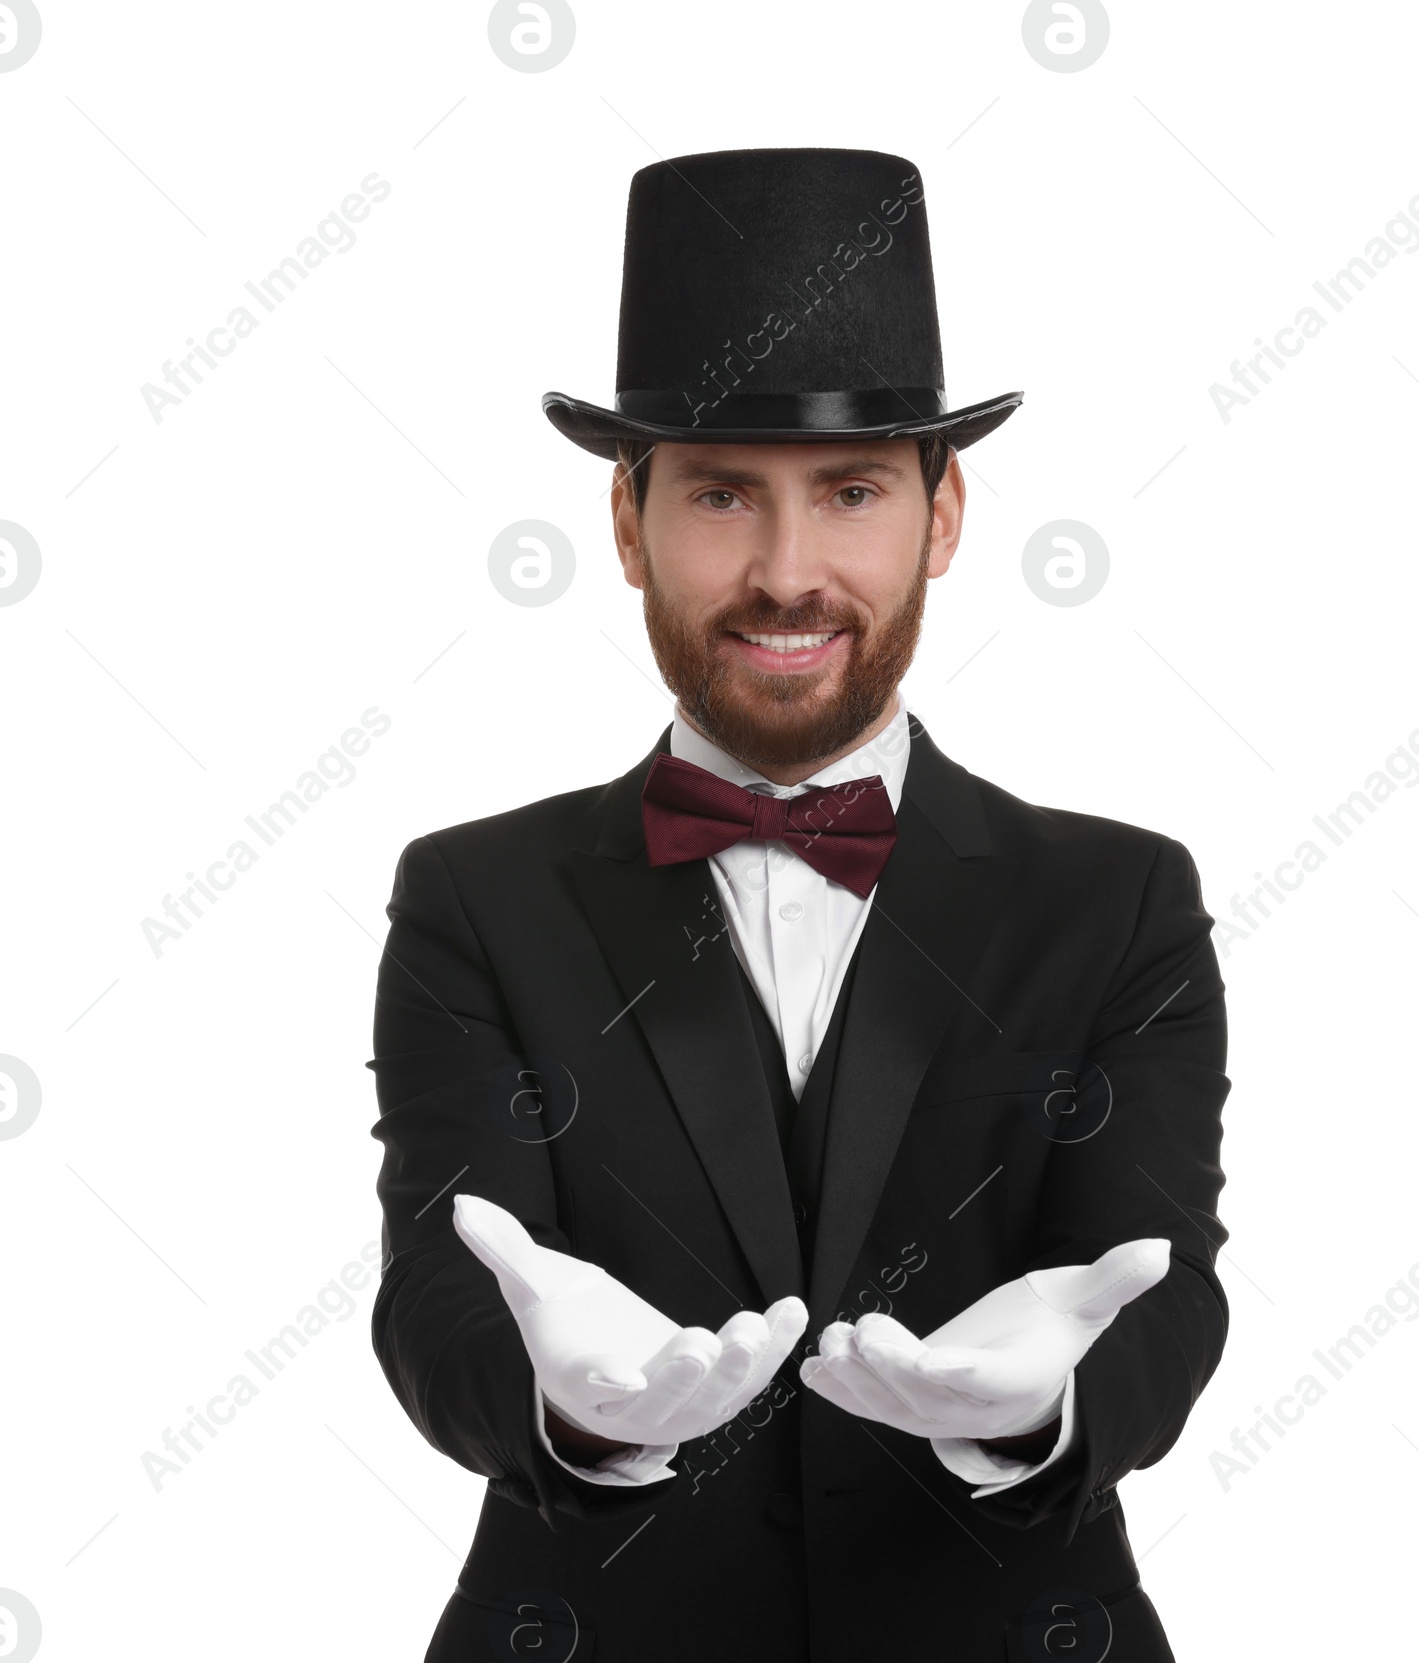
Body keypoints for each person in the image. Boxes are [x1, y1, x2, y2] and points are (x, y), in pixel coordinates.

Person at [368, 147, 1230, 1663]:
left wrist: (1041, 1408)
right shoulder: (471, 898)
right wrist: (570, 1411)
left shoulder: (1122, 899)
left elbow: (1159, 1289)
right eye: (717, 495)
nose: (786, 574)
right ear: (627, 523)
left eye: (848, 494)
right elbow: (442, 1294)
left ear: (942, 517)